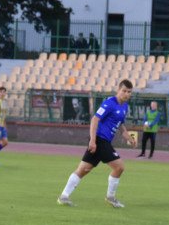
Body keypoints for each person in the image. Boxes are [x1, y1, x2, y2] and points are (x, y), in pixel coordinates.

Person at [57, 79, 137, 208]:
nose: (126, 94)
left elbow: (120, 125)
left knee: (83, 169)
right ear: (118, 90)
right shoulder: (110, 103)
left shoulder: (125, 106)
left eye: (129, 92)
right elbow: (95, 120)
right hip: (100, 140)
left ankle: (64, 196)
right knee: (119, 167)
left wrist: (129, 138)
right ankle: (110, 198)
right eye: (124, 91)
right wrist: (93, 141)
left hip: (102, 141)